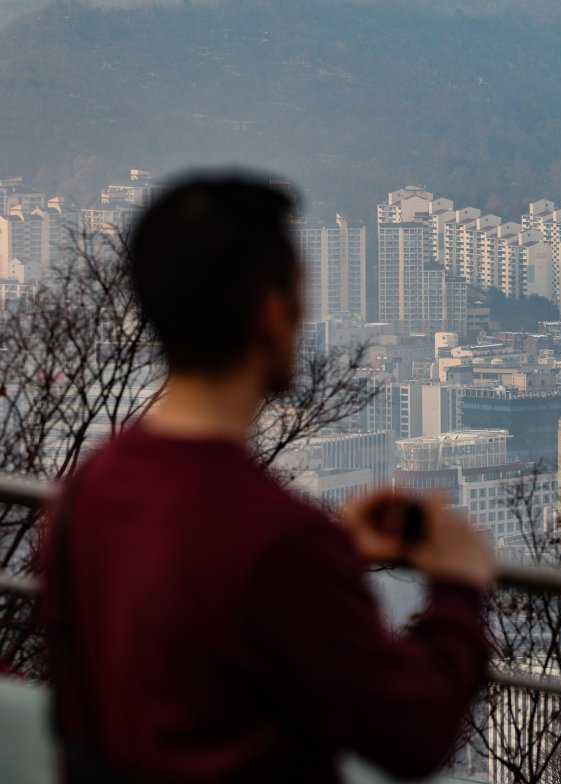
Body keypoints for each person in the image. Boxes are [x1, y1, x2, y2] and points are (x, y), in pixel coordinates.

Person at [41, 176, 495, 782]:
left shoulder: (86, 491)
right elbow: (413, 735)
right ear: (272, 315)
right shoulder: (281, 543)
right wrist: (459, 588)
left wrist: (331, 547)